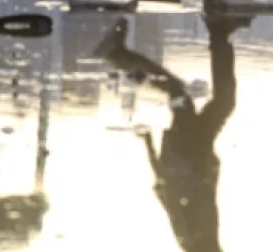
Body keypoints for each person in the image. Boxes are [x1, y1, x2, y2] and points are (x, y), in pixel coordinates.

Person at [97, 18, 240, 252]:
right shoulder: (201, 241)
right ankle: (219, 34)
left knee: (194, 95)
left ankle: (119, 56)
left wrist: (149, 146)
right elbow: (167, 194)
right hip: (196, 152)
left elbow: (166, 193)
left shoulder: (192, 239)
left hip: (188, 153)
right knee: (211, 98)